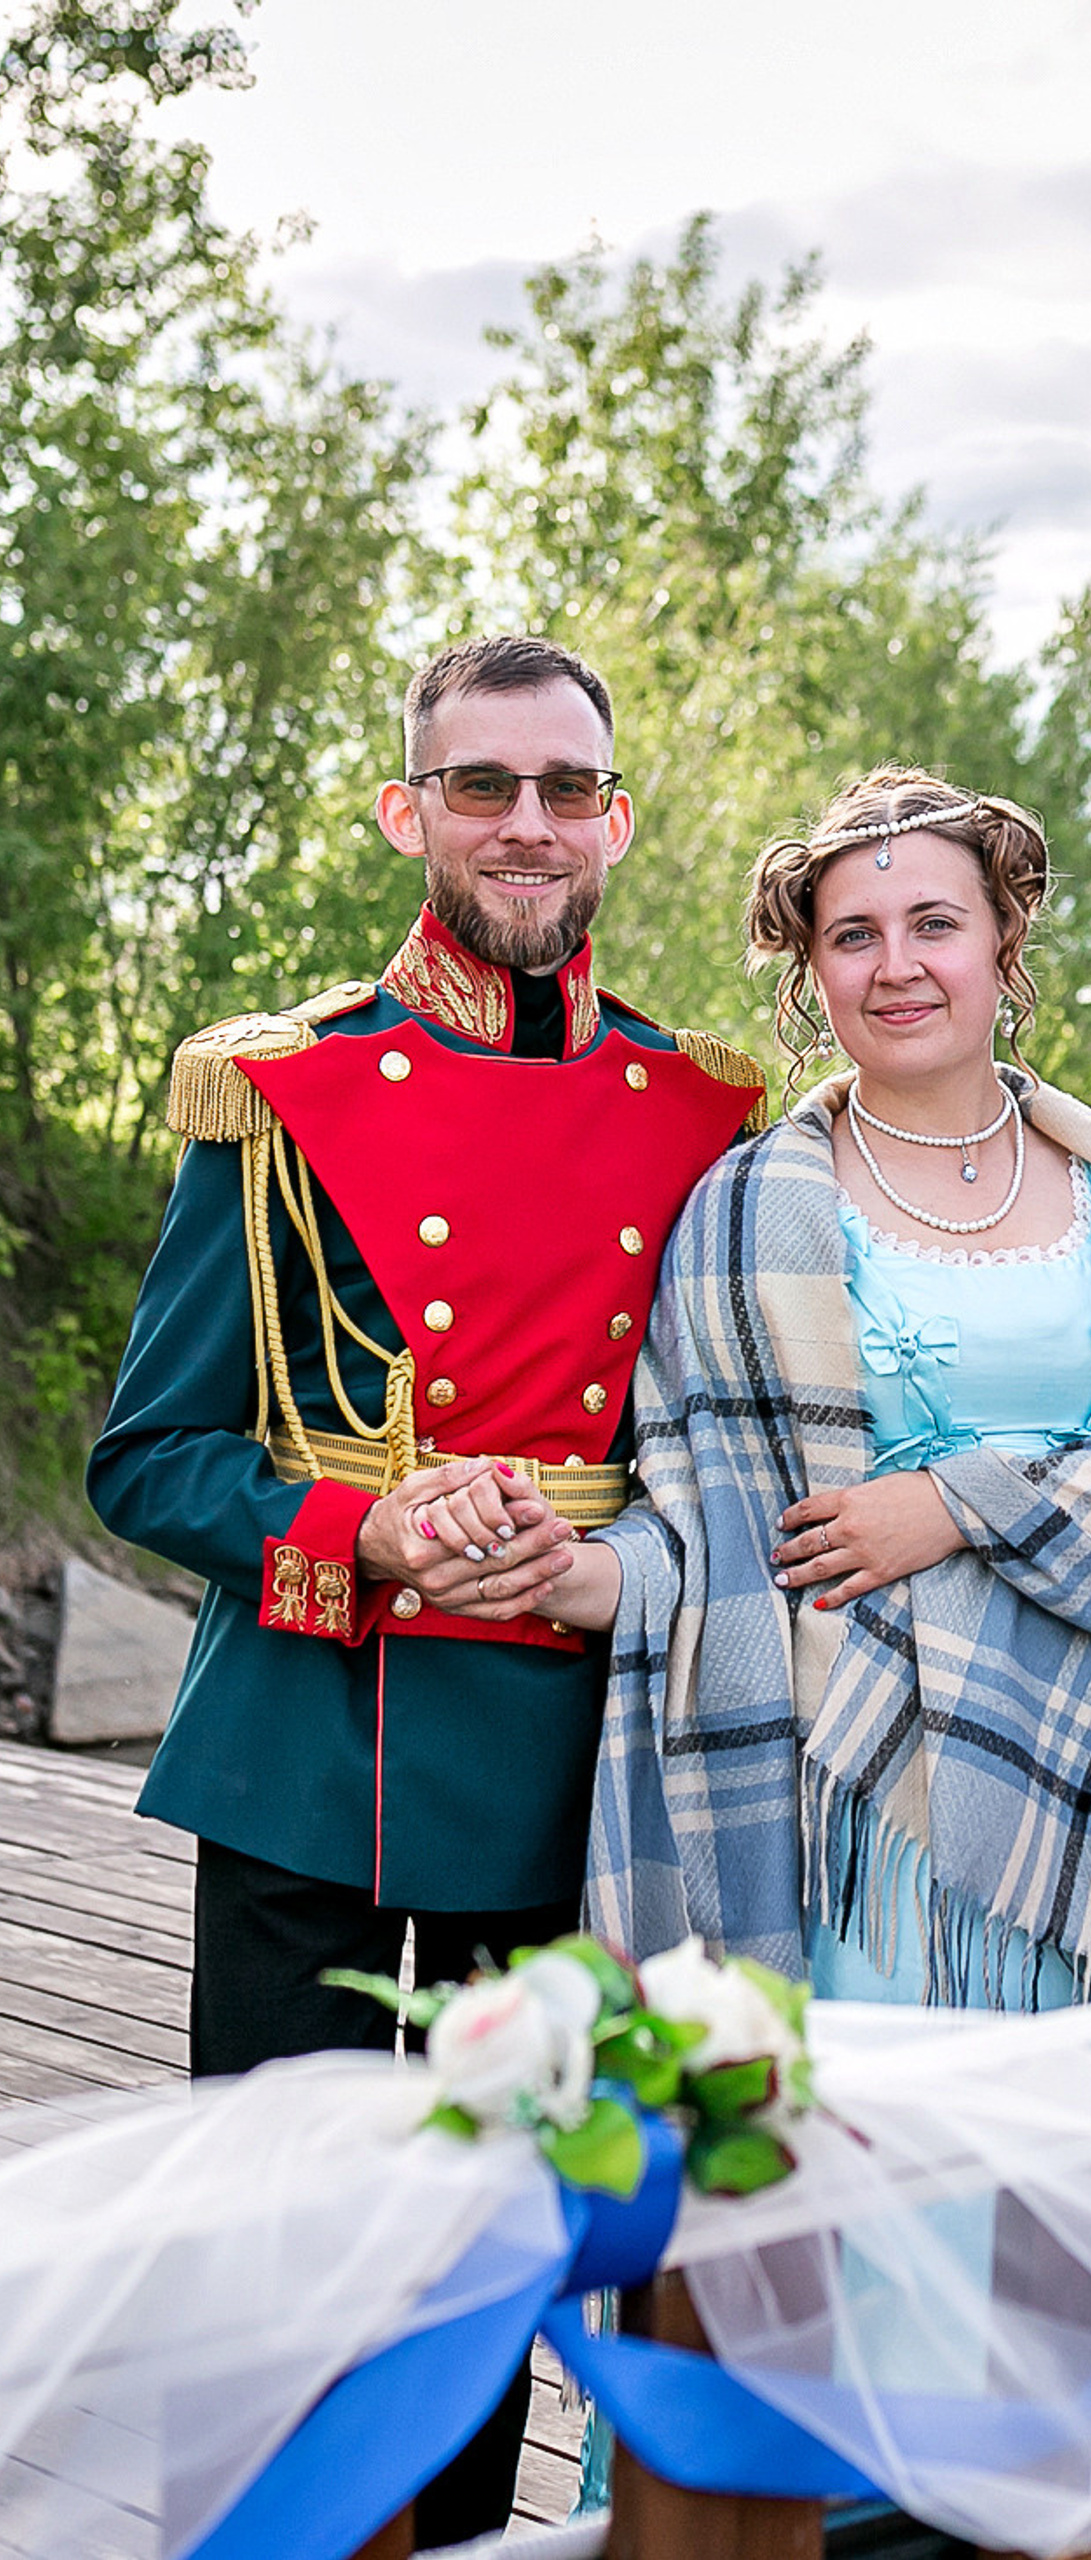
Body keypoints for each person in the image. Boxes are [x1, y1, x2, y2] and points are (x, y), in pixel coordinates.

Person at [87, 634, 766, 2543]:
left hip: (582, 1788)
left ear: (615, 820)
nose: (528, 824)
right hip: (326, 1769)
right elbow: (147, 1456)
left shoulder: (698, 1108)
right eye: (485, 786)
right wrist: (362, 1533)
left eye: (566, 789)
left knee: (491, 2290)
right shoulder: (279, 1094)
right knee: (290, 2298)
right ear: (412, 810)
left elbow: (727, 1456)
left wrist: (612, 1559)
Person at [499, 767, 1091, 2004]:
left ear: (1003, 939)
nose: (897, 965)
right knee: (870, 2166)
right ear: (812, 971)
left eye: (935, 924)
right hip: (843, 1778)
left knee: (1064, 2161)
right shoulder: (744, 1211)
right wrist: (570, 1571)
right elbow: (706, 1526)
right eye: (853, 936)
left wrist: (951, 1506)